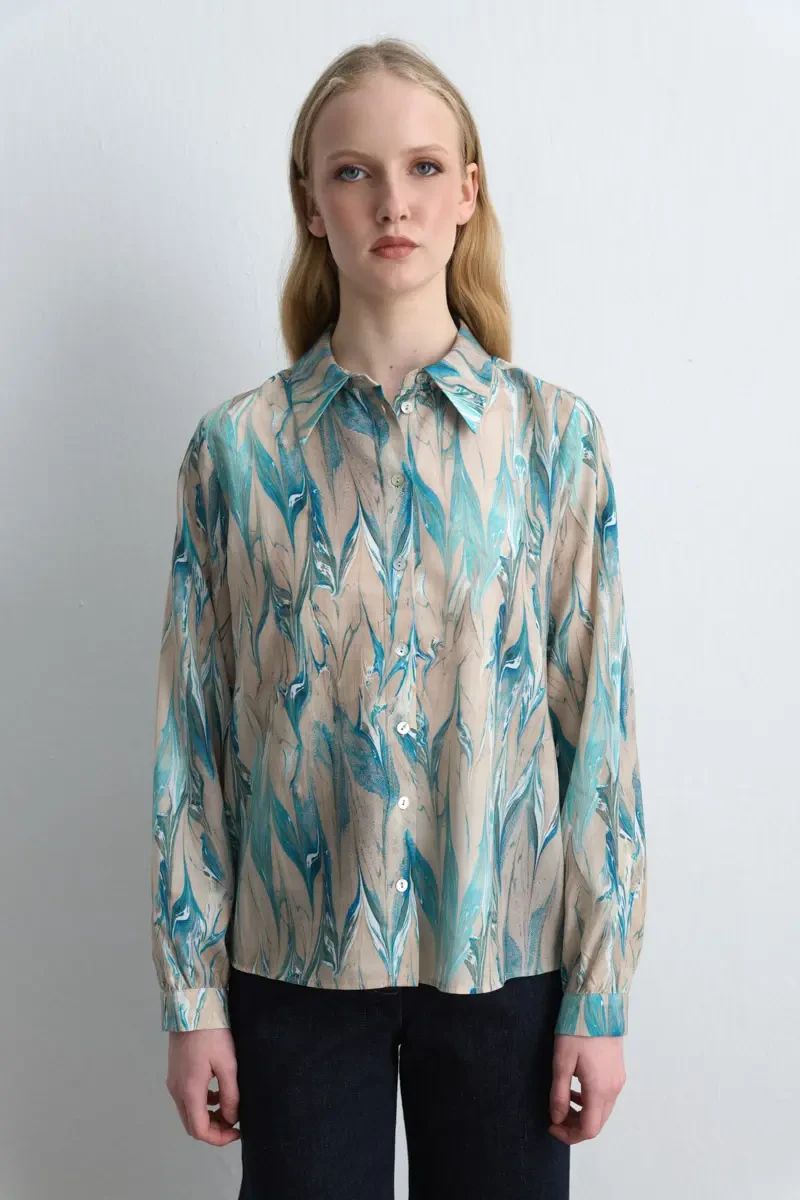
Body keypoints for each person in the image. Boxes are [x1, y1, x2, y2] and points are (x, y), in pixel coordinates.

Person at [150, 36, 647, 1200]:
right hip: (291, 969)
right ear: (308, 202)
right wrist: (190, 999)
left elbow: (596, 730)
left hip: (506, 966)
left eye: (423, 168)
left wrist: (599, 992)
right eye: (353, 172)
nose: (392, 203)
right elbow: (192, 742)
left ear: (467, 193)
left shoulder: (551, 442)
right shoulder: (237, 453)